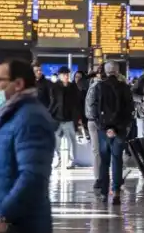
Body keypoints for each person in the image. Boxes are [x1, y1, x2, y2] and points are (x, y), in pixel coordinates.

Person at [0, 59, 55, 233]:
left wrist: (4, 214)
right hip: (1, 227)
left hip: (14, 228)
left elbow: (33, 176)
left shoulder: (30, 118)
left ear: (18, 84)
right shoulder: (9, 116)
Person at [88, 61, 134, 205]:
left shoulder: (99, 87)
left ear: (106, 72)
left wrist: (104, 128)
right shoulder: (125, 88)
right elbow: (129, 110)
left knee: (104, 161)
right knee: (117, 160)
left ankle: (103, 192)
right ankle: (116, 192)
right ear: (118, 72)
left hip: (103, 130)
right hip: (120, 131)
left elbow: (94, 109)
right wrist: (120, 128)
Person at [49, 66, 83, 169]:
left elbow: (77, 102)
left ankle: (72, 161)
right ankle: (57, 158)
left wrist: (79, 117)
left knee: (72, 141)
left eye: (68, 74)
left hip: (70, 118)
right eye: (64, 74)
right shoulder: (54, 87)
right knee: (56, 142)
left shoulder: (73, 87)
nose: (66, 76)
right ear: (59, 75)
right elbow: (53, 102)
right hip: (57, 118)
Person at [84, 66, 106, 195]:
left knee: (97, 151)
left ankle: (99, 177)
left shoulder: (94, 85)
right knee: (99, 151)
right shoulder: (97, 86)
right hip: (98, 122)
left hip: (95, 121)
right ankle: (99, 178)